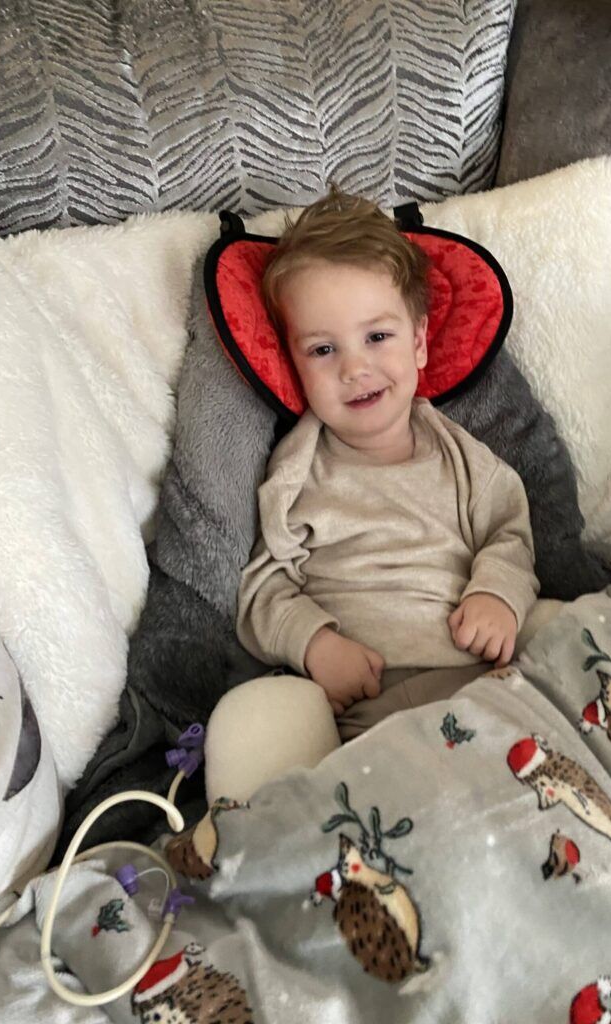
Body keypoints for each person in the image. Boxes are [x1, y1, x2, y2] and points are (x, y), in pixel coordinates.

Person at [203, 185, 540, 805]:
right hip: (367, 710)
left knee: (573, 632)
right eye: (324, 349)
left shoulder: (459, 453)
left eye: (377, 338)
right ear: (294, 365)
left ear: (418, 342)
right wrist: (316, 643)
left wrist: (497, 593)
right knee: (257, 725)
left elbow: (509, 531)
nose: (354, 369)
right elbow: (263, 585)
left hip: (483, 679)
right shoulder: (298, 469)